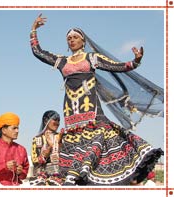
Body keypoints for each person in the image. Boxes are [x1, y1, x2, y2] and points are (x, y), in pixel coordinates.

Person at [30, 14, 164, 185]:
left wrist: (135, 62)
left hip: (91, 109)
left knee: (100, 136)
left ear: (83, 41)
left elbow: (117, 66)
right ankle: (79, 177)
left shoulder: (92, 58)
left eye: (75, 37)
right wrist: (34, 30)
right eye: (69, 38)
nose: (72, 40)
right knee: (74, 143)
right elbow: (38, 52)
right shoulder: (62, 61)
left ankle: (103, 175)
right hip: (71, 111)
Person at [0, 112, 29, 186]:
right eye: (14, 128)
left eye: (17, 128)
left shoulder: (21, 150)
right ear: (4, 130)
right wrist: (4, 167)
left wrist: (20, 172)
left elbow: (24, 175)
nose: (17, 131)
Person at [29, 110, 63, 186]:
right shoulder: (37, 139)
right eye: (55, 120)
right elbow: (34, 161)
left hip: (60, 176)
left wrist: (57, 144)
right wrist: (44, 155)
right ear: (45, 121)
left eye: (59, 120)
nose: (57, 123)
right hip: (41, 177)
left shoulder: (62, 137)